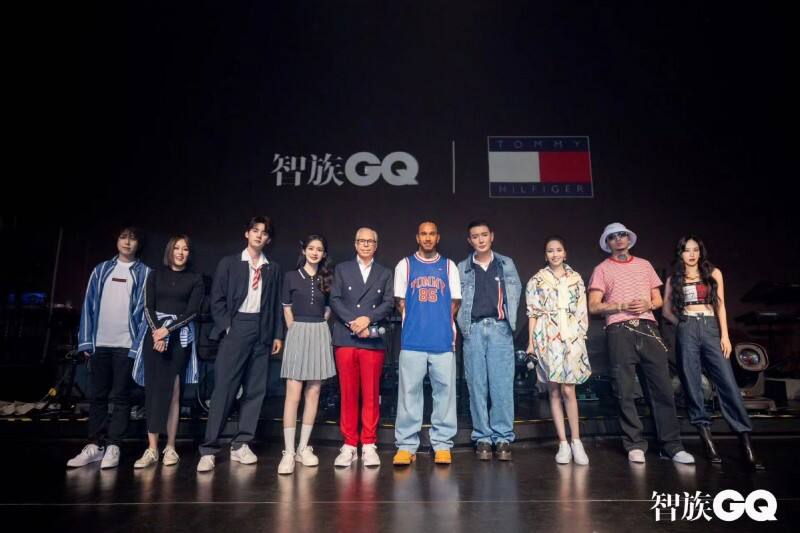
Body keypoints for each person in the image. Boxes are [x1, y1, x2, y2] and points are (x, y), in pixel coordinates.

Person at [587, 222, 694, 464]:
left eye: (622, 235)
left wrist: (648, 304)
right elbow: (593, 306)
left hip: (648, 328)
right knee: (624, 390)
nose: (618, 239)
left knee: (662, 388)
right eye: (613, 237)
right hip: (619, 329)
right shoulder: (601, 269)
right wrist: (621, 305)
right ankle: (634, 443)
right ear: (607, 243)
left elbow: (658, 300)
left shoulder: (644, 265)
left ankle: (671, 445)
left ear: (629, 239)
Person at [662, 235, 764, 470]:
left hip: (711, 328)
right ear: (680, 253)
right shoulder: (673, 279)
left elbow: (721, 305)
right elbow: (666, 311)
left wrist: (725, 336)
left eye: (695, 250)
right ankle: (707, 440)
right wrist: (683, 325)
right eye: (686, 250)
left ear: (701, 252)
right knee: (692, 384)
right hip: (687, 327)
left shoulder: (713, 273)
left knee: (728, 383)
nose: (691, 254)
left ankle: (745, 442)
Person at [197, 217, 284, 472]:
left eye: (264, 233)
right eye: (255, 231)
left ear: (268, 239)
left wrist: (277, 334)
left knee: (255, 390)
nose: (259, 236)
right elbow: (217, 299)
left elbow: (276, 304)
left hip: (262, 328)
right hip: (237, 326)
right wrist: (227, 326)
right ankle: (209, 448)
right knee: (224, 388)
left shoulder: (272, 268)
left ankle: (241, 443)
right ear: (247, 234)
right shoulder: (230, 263)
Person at [67, 227, 151, 469]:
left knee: (121, 397)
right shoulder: (101, 270)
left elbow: (145, 313)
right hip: (100, 343)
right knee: (98, 397)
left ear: (138, 244)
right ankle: (95, 445)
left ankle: (114, 445)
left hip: (126, 345)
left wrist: (136, 347)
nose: (127, 242)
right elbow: (88, 304)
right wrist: (86, 341)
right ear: (117, 241)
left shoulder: (145, 273)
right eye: (123, 237)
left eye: (132, 238)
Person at [129, 235, 203, 468]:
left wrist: (167, 330)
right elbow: (148, 307)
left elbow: (192, 312)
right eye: (177, 248)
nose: (180, 252)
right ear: (170, 251)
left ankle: (170, 447)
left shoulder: (195, 279)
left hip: (179, 338)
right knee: (153, 392)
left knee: (173, 393)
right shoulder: (154, 275)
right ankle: (152, 448)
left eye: (185, 249)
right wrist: (157, 333)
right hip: (154, 337)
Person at [393, 221, 461, 466]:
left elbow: (455, 302)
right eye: (424, 234)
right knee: (409, 395)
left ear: (438, 237)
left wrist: (438, 322)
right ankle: (406, 445)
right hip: (413, 341)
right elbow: (400, 301)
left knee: (445, 395)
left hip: (442, 341)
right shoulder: (405, 265)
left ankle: (442, 444)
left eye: (432, 234)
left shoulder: (449, 266)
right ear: (417, 237)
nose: (428, 238)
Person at [456, 220, 522, 461]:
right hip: (473, 329)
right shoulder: (462, 267)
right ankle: (482, 436)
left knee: (501, 386)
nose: (480, 240)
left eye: (484, 235)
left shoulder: (506, 264)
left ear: (491, 236)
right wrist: (464, 327)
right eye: (475, 236)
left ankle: (503, 437)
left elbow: (515, 293)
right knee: (477, 385)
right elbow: (456, 300)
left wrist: (507, 321)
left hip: (499, 329)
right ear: (469, 241)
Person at [329, 227, 394, 468]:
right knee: (347, 393)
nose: (366, 245)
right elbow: (335, 299)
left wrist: (368, 319)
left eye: (370, 241)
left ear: (376, 245)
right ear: (355, 244)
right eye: (361, 241)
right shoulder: (342, 269)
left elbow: (389, 302)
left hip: (372, 338)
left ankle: (368, 444)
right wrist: (354, 323)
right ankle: (349, 444)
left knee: (371, 394)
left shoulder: (385, 272)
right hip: (346, 338)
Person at [526, 236, 591, 465]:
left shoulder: (576, 279)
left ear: (565, 253)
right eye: (550, 251)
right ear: (545, 255)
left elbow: (582, 311)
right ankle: (563, 443)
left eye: (558, 250)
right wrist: (531, 343)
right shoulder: (537, 280)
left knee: (569, 390)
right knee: (553, 390)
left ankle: (576, 441)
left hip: (571, 337)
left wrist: (579, 337)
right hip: (547, 337)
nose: (555, 254)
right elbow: (533, 313)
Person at [277, 235, 337, 474]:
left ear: (324, 254)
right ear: (303, 250)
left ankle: (303, 447)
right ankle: (289, 451)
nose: (314, 252)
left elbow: (329, 308)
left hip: (319, 331)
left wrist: (319, 326)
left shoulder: (327, 278)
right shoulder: (291, 276)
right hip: (297, 332)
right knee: (293, 394)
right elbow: (286, 308)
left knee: (313, 392)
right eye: (311, 248)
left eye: (319, 249)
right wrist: (295, 330)